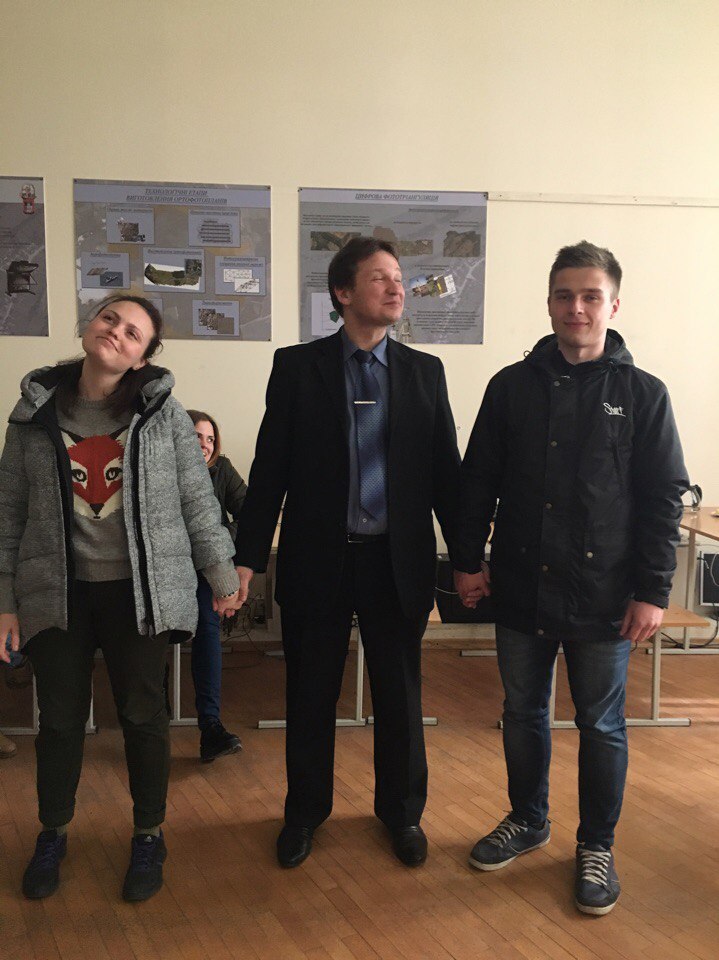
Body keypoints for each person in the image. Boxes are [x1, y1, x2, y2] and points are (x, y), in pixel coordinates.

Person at [452, 241, 689, 915]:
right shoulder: (509, 387)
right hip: (520, 585)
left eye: (590, 296)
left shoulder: (644, 395)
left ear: (613, 306)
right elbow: (478, 482)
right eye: (564, 295)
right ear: (549, 303)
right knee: (521, 713)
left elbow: (662, 499)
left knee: (601, 724)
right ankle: (528, 820)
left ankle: (596, 845)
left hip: (606, 595)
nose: (576, 307)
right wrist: (467, 560)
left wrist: (653, 590)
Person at [0, 295, 239, 903]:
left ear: (142, 356)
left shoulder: (163, 415)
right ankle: (53, 831)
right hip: (56, 592)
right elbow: (8, 513)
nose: (116, 332)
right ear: (89, 324)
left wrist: (221, 575)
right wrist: (5, 599)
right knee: (59, 721)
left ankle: (149, 834)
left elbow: (197, 500)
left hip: (140, 594)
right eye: (110, 318)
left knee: (142, 716)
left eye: (134, 333)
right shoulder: (33, 413)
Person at [234, 237, 461, 868]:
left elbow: (445, 472)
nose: (397, 288)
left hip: (397, 560)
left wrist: (468, 558)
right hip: (318, 558)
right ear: (343, 292)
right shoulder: (296, 367)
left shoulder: (424, 372)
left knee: (400, 696)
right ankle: (305, 813)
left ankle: (402, 814)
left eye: (399, 278)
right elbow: (270, 469)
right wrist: (246, 558)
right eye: (381, 278)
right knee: (310, 693)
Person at [187, 409, 246, 761]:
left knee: (207, 625)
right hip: (167, 568)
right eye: (197, 436)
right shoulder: (159, 470)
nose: (205, 445)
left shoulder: (221, 469)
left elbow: (249, 511)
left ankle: (210, 725)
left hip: (206, 568)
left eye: (210, 438)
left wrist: (222, 538)